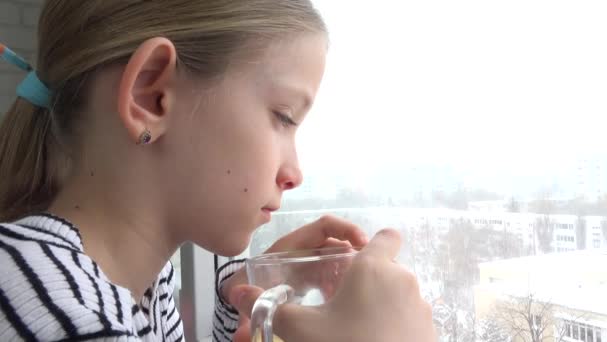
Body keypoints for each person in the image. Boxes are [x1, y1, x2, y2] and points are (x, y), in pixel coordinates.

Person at [0, 1, 436, 341]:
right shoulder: (69, 321)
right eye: (283, 117)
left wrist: (242, 295)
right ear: (152, 97)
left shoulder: (139, 286)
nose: (295, 172)